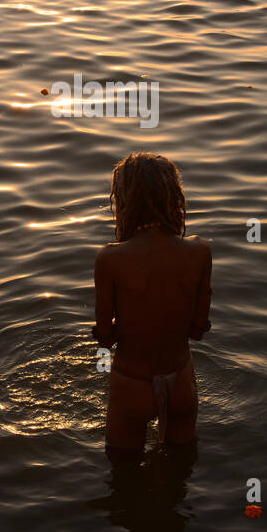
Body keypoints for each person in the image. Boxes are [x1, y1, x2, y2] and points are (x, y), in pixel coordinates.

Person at [93, 152, 211, 459]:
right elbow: (198, 330)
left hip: (132, 384)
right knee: (181, 465)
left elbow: (105, 337)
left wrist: (115, 332)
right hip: (181, 379)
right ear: (174, 198)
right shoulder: (200, 252)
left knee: (123, 474)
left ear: (123, 202)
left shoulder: (110, 259)